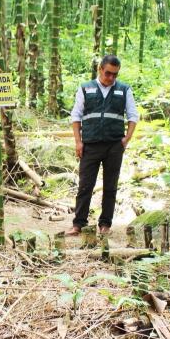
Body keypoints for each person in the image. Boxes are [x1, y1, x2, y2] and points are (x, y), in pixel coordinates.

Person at [66, 55, 139, 236]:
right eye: (108, 73)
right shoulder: (85, 88)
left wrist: (126, 139)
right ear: (100, 69)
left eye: (115, 74)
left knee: (110, 186)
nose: (111, 78)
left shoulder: (124, 90)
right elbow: (76, 116)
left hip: (114, 145)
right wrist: (78, 141)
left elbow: (133, 116)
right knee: (85, 185)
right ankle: (79, 224)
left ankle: (105, 224)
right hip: (90, 145)